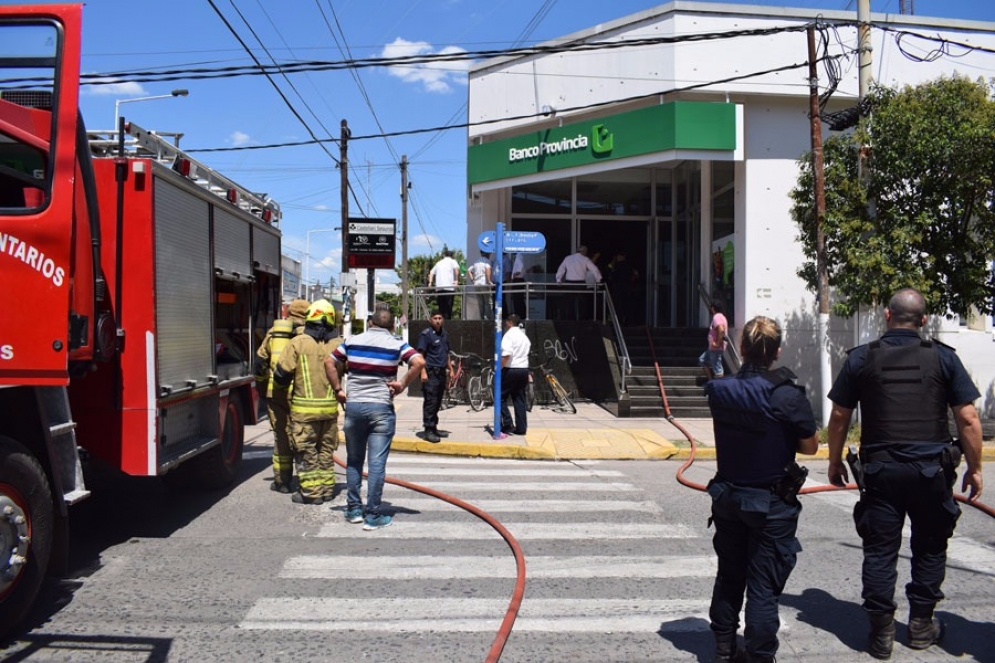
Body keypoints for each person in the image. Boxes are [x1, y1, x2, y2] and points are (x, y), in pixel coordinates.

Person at [827, 288, 984, 660]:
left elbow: (838, 416)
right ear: (924, 320)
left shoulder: (862, 358)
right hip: (931, 471)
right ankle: (920, 625)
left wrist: (834, 461)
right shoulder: (944, 359)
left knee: (880, 550)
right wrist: (976, 469)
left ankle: (881, 634)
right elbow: (968, 418)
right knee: (929, 546)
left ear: (886, 316)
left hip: (881, 472)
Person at [704, 315, 819, 663]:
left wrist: (715, 352)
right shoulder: (787, 395)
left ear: (742, 348)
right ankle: (759, 655)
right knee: (763, 586)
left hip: (728, 498)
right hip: (770, 504)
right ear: (777, 351)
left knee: (729, 574)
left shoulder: (719, 390)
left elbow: (719, 375)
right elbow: (811, 447)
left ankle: (724, 647)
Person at [325, 308, 425, 530]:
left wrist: (338, 389)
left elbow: (329, 361)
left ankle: (352, 510)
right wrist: (402, 384)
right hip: (381, 407)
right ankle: (372, 515)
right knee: (376, 464)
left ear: (370, 323)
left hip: (354, 406)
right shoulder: (396, 344)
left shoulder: (352, 341)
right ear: (391, 326)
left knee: (353, 460)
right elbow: (418, 362)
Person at [272, 299, 342, 505]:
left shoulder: (298, 342)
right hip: (330, 411)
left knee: (306, 451)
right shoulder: (339, 345)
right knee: (326, 451)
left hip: (304, 414)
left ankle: (311, 494)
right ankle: (327, 490)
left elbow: (281, 376)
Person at [253, 298, 310, 493]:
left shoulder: (275, 332)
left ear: (289, 313)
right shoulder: (310, 335)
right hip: (302, 395)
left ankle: (282, 481)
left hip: (276, 393)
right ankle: (306, 482)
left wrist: (262, 388)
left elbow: (259, 363)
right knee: (304, 437)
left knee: (281, 436)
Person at [416, 310, 452, 443]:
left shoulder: (444, 334)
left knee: (437, 402)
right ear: (430, 320)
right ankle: (428, 430)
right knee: (430, 402)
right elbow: (420, 355)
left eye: (440, 318)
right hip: (431, 373)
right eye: (435, 318)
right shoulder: (426, 335)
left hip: (441, 373)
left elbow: (446, 353)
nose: (438, 320)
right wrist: (423, 372)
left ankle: (434, 427)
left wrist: (451, 370)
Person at [498, 313, 532, 437]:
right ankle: (521, 428)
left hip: (511, 370)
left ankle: (507, 423)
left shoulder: (508, 336)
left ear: (508, 322)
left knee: (499, 396)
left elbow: (506, 355)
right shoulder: (524, 337)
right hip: (523, 370)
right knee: (519, 398)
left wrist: (498, 368)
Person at [555, 245, 601, 320]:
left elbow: (561, 268)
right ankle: (581, 319)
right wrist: (598, 280)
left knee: (570, 302)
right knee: (582, 302)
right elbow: (594, 269)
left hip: (569, 283)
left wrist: (558, 280)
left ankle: (570, 318)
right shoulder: (585, 259)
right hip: (580, 283)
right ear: (584, 251)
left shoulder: (568, 258)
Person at [699, 301, 728, 381]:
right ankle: (711, 380)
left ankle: (719, 386)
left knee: (717, 368)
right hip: (712, 348)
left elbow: (721, 330)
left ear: (712, 308)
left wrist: (717, 344)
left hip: (715, 348)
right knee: (702, 359)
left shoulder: (717, 317)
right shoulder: (721, 316)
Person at [428, 249, 460, 319]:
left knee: (441, 307)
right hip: (449, 287)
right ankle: (448, 321)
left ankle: (441, 321)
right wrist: (456, 280)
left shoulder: (439, 263)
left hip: (439, 288)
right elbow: (456, 269)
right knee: (448, 307)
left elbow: (431, 272)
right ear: (451, 256)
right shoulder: (453, 261)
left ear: (444, 256)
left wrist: (430, 282)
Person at [606, 250, 635, 325]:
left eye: (619, 256)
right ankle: (628, 321)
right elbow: (634, 275)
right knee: (626, 304)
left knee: (618, 304)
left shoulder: (616, 265)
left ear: (623, 257)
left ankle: (619, 321)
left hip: (618, 288)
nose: (618, 258)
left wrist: (613, 262)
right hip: (627, 288)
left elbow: (609, 272)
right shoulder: (629, 265)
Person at [468, 251, 494, 320]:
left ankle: (482, 317)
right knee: (488, 301)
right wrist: (489, 281)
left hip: (476, 284)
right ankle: (487, 317)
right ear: (487, 253)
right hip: (484, 283)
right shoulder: (487, 261)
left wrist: (472, 280)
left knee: (480, 302)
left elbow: (469, 270)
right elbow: (488, 270)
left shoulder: (476, 262)